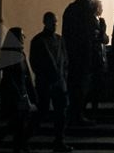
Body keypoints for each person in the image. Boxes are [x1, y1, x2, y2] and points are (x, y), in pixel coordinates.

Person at [29, 12, 72, 153]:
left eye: (55, 22)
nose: (55, 24)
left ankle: (59, 140)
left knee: (59, 112)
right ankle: (27, 137)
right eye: (52, 22)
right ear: (45, 22)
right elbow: (35, 63)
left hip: (56, 81)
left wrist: (63, 75)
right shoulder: (41, 40)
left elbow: (65, 60)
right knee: (45, 111)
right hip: (48, 82)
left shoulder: (54, 40)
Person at [62, 0, 97, 125]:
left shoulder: (70, 9)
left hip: (72, 53)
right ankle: (79, 114)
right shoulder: (88, 9)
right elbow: (92, 32)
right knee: (83, 85)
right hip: (84, 54)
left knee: (73, 84)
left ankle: (72, 113)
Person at [0, 27, 37, 153]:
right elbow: (11, 78)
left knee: (17, 123)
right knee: (18, 123)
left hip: (20, 93)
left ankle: (17, 145)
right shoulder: (12, 55)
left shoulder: (19, 53)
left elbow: (25, 77)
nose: (24, 38)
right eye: (22, 36)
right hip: (14, 95)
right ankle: (18, 146)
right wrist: (22, 95)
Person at [88, 0, 109, 119]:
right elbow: (102, 38)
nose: (102, 9)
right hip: (95, 58)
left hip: (99, 57)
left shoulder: (98, 22)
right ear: (97, 9)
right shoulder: (92, 22)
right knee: (94, 86)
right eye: (101, 7)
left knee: (97, 85)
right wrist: (103, 31)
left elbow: (105, 39)